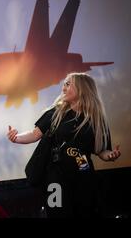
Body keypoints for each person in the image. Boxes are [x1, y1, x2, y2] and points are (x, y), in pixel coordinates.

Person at [7, 72, 121, 217]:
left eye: (68, 84)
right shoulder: (55, 113)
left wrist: (110, 155)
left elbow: (101, 151)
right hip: (55, 175)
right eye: (64, 84)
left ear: (82, 89)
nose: (63, 88)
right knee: (57, 212)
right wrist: (15, 138)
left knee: (84, 212)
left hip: (83, 174)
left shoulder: (96, 120)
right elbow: (34, 134)